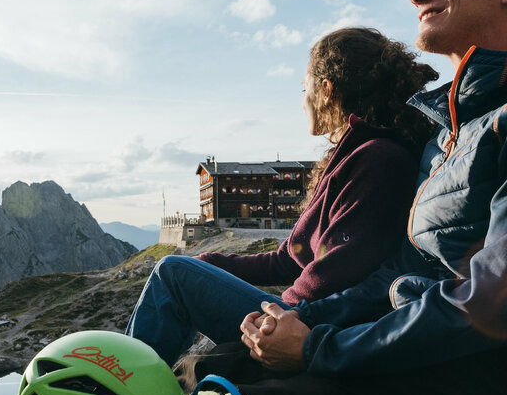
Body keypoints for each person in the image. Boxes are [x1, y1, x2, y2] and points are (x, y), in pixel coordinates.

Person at [230, 0, 507, 395]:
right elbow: (401, 273)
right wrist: (302, 323)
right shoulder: (446, 134)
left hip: (486, 369)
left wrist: (319, 349)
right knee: (218, 365)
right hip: (438, 342)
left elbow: (490, 301)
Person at [126, 27, 437, 366]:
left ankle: (125, 384)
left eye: (304, 89)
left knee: (171, 272)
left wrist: (289, 319)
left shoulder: (378, 159)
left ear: (326, 91)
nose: (302, 100)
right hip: (300, 316)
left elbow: (337, 277)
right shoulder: (357, 154)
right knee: (180, 269)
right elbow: (290, 260)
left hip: (309, 327)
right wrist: (209, 264)